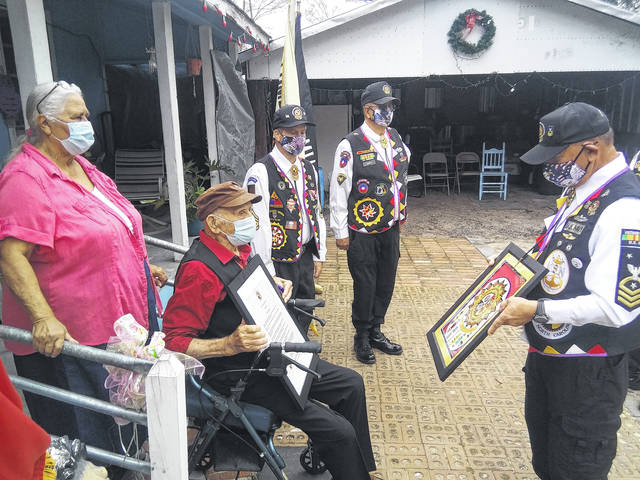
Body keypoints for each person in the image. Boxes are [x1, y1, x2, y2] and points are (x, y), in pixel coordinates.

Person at [162, 181, 376, 480]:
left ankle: (359, 469)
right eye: (240, 212)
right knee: (337, 430)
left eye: (250, 210)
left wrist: (274, 285)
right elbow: (173, 341)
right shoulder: (200, 270)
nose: (250, 218)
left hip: (267, 355)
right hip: (236, 372)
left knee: (351, 383)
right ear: (213, 222)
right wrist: (228, 344)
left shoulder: (237, 248)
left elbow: (242, 293)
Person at [0, 81, 167, 461]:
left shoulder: (81, 167)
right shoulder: (26, 178)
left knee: (124, 430)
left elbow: (111, 226)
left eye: (86, 115)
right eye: (77, 117)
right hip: (72, 341)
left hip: (120, 326)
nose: (87, 123)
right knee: (89, 442)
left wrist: (138, 263)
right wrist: (42, 318)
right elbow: (10, 255)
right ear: (46, 123)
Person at [488, 102, 640, 480]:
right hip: (551, 357)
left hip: (588, 372)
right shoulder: (584, 190)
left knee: (576, 466)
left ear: (591, 148)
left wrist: (536, 311)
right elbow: (561, 258)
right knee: (549, 461)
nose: (550, 168)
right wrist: (509, 276)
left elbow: (616, 307)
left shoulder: (623, 208)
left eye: (558, 157)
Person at [329, 81, 410, 364]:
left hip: (390, 227)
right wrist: (340, 230)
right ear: (367, 110)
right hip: (361, 230)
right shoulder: (349, 145)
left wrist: (401, 213)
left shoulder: (395, 139)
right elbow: (339, 189)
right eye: (383, 107)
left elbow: (400, 179)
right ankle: (361, 335)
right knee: (366, 283)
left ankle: (377, 330)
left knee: (386, 281)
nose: (389, 112)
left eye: (391, 106)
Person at [243, 104, 326, 332]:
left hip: (305, 254)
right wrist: (266, 267)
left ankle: (302, 352)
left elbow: (316, 211)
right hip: (278, 259)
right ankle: (282, 359)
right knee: (280, 310)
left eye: (302, 133)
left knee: (305, 306)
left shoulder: (308, 168)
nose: (299, 138)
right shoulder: (260, 172)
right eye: (293, 133)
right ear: (277, 134)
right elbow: (257, 225)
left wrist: (321, 252)